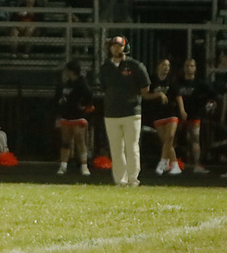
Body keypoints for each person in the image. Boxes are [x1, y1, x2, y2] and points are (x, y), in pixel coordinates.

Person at [99, 36, 162, 187]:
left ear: (125, 47)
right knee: (116, 148)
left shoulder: (136, 66)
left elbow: (145, 88)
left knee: (132, 146)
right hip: (111, 113)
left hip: (132, 112)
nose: (116, 48)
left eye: (119, 45)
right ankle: (120, 180)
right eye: (114, 45)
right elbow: (105, 87)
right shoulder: (105, 67)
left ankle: (133, 178)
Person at [143, 59, 185, 176]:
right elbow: (145, 95)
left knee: (170, 137)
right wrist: (158, 94)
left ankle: (162, 162)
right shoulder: (152, 80)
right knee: (165, 141)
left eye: (168, 65)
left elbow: (178, 96)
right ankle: (174, 165)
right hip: (157, 113)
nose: (166, 68)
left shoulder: (172, 80)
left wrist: (182, 110)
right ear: (158, 66)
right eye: (164, 65)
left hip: (171, 112)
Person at [176, 58, 217, 174]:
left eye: (191, 66)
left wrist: (209, 105)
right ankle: (174, 162)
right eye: (187, 66)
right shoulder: (178, 82)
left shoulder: (200, 83)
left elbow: (213, 95)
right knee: (175, 138)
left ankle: (196, 164)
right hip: (179, 114)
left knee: (195, 138)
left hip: (195, 114)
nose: (189, 68)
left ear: (195, 68)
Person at [54, 60, 93, 176]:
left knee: (80, 140)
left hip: (78, 116)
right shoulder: (65, 84)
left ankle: (84, 166)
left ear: (71, 71)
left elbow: (89, 98)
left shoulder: (82, 84)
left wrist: (83, 107)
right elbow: (58, 97)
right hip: (66, 116)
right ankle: (63, 166)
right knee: (65, 141)